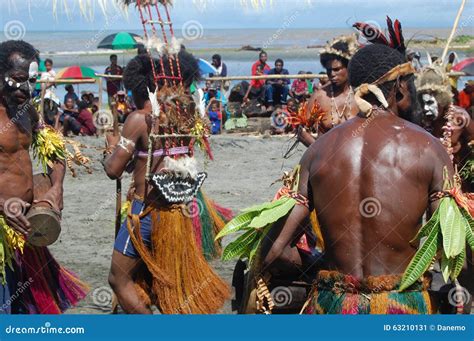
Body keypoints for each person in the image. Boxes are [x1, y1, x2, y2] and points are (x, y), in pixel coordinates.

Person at [264, 43, 455, 315]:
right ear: (399, 84)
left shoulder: (318, 151)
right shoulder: (429, 148)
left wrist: (319, 265)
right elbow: (451, 248)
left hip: (334, 305)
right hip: (400, 307)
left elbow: (273, 252)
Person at [104, 51, 230, 314]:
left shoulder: (139, 119)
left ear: (139, 87)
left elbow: (114, 170)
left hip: (145, 213)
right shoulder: (183, 117)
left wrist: (111, 150)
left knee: (119, 279)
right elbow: (152, 158)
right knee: (171, 286)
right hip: (179, 212)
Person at [0, 40, 88, 314]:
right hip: (3, 232)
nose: (27, 89)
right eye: (18, 80)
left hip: (26, 229)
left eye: (32, 81)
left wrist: (57, 186)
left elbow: (55, 151)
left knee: (27, 313)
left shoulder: (27, 111)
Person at [298, 35, 359, 146]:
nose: (332, 74)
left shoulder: (360, 95)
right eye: (328, 70)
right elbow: (302, 132)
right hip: (324, 158)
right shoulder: (320, 97)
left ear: (349, 67)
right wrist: (318, 151)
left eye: (336, 69)